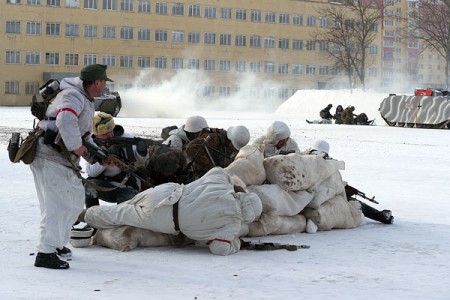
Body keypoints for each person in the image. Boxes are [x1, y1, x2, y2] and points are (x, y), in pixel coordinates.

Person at [29, 64, 113, 269]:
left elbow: (80, 129)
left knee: (69, 202)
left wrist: (93, 150)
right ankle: (46, 253)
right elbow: (65, 120)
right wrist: (79, 149)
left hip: (57, 158)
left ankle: (55, 244)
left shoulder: (83, 97)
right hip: (51, 157)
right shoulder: (72, 95)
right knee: (59, 205)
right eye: (104, 83)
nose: (105, 87)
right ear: (96, 82)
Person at [79, 167, 263, 256]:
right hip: (163, 219)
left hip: (165, 192)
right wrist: (236, 244)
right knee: (120, 215)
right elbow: (220, 248)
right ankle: (84, 220)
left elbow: (218, 171)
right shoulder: (231, 225)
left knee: (119, 210)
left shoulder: (221, 186)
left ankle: (78, 216)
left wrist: (236, 188)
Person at [307, 139, 394, 224]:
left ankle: (380, 215)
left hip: (320, 195)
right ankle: (380, 216)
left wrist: (343, 187)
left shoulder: (308, 161)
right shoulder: (324, 164)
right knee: (354, 204)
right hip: (319, 196)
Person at [84, 112, 147, 209]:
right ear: (96, 135)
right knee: (89, 185)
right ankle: (92, 218)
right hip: (104, 187)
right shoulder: (93, 144)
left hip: (127, 187)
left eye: (111, 131)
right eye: (105, 134)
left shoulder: (127, 139)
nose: (110, 136)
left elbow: (140, 164)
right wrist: (105, 159)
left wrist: (142, 152)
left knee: (123, 210)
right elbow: (91, 172)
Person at [185, 125, 250, 179]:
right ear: (229, 140)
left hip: (219, 179)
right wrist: (211, 170)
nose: (234, 150)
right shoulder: (213, 138)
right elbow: (191, 147)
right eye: (234, 147)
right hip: (202, 178)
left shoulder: (233, 150)